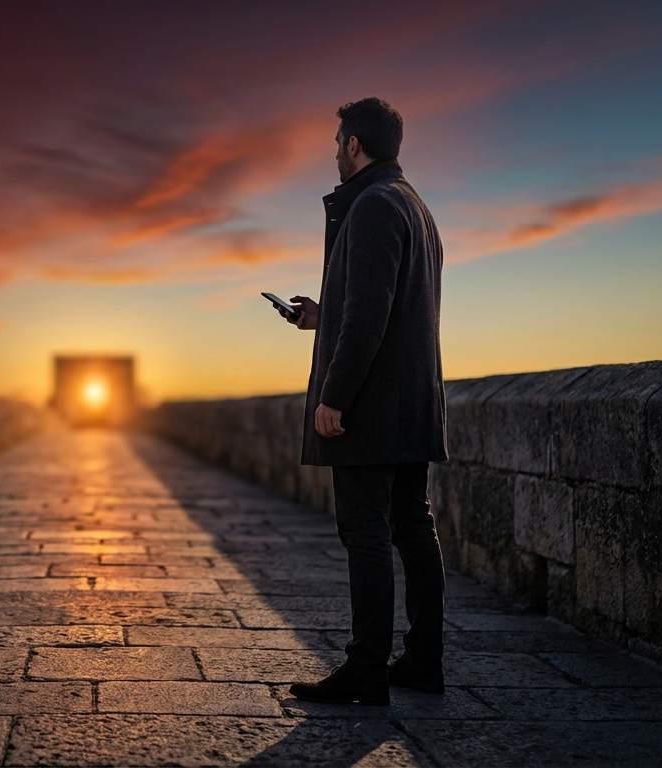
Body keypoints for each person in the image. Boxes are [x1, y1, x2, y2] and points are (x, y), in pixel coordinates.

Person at [274, 97, 448, 705]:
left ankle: (367, 669)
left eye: (337, 142)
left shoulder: (372, 206)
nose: (334, 153)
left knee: (367, 532)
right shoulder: (413, 206)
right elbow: (382, 308)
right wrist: (325, 318)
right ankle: (424, 660)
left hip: (372, 407)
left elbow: (372, 317)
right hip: (411, 401)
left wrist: (335, 395)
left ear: (354, 144)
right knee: (412, 528)